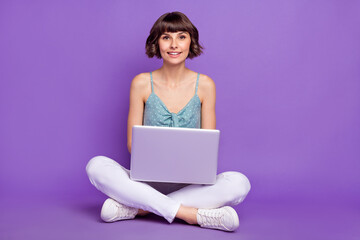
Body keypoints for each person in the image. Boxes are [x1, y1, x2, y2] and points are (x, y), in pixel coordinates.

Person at [86, 11, 251, 232]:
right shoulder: (142, 83)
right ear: (157, 42)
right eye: (166, 37)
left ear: (191, 41)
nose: (174, 45)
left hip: (191, 185)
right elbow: (132, 145)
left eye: (181, 36)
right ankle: (191, 215)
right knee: (96, 166)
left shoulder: (205, 85)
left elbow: (208, 146)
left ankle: (139, 208)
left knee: (240, 183)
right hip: (144, 181)